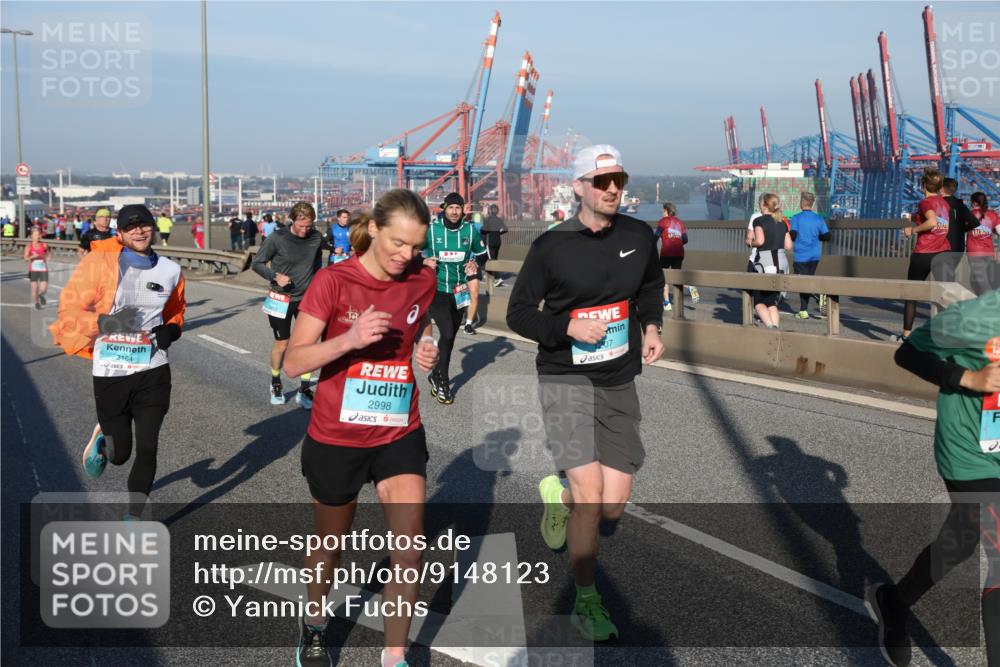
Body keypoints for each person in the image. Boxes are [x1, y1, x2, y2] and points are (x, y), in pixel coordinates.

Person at [506, 144, 664, 642]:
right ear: (578, 187)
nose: (613, 188)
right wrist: (568, 326)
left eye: (619, 178)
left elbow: (651, 286)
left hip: (618, 378)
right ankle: (587, 600)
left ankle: (558, 492)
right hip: (565, 378)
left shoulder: (640, 235)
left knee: (613, 506)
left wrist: (653, 326)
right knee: (593, 502)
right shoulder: (551, 247)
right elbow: (518, 314)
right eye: (602, 181)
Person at [282, 189, 439, 667]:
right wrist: (348, 339)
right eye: (398, 243)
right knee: (330, 546)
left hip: (398, 430)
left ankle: (395, 656)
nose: (406, 256)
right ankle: (314, 625)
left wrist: (425, 346)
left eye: (415, 247)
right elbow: (294, 361)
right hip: (337, 437)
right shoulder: (333, 282)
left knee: (410, 550)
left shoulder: (422, 279)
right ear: (374, 229)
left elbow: (422, 322)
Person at [867, 289, 1000, 667]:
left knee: (958, 545)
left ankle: (894, 601)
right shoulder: (976, 317)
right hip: (971, 455)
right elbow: (907, 352)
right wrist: (968, 378)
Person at [49, 204, 186, 520]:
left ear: (153, 228)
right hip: (112, 370)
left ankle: (134, 518)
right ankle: (103, 440)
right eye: (131, 226)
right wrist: (107, 323)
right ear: (120, 233)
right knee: (121, 454)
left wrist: (173, 329)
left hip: (153, 368)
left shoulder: (170, 270)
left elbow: (177, 310)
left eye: (144, 224)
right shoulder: (99, 265)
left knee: (148, 447)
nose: (139, 230)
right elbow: (68, 314)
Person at [251, 202, 324, 407]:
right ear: (293, 220)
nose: (305, 230)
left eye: (308, 226)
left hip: (307, 298)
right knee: (283, 345)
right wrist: (275, 276)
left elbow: (317, 263)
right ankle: (275, 382)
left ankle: (305, 388)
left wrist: (318, 283)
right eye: (301, 226)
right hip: (280, 298)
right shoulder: (277, 238)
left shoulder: (316, 237)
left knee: (307, 345)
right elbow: (256, 263)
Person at [422, 191, 487, 404]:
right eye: (450, 207)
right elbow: (412, 251)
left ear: (462, 211)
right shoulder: (431, 230)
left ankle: (435, 375)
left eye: (458, 208)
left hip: (460, 292)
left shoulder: (470, 230)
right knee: (447, 332)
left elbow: (483, 253)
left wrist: (475, 264)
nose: (454, 211)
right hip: (438, 290)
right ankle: (444, 382)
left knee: (450, 338)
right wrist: (423, 263)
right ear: (444, 209)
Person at [896, 168, 951, 342]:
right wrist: (914, 217)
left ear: (924, 184)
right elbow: (936, 219)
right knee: (943, 295)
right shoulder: (944, 203)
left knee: (911, 295)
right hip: (944, 252)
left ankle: (906, 335)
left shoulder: (925, 202)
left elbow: (932, 222)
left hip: (925, 252)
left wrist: (912, 230)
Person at [750, 193, 792, 329]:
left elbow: (760, 241)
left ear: (764, 205)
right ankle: (775, 328)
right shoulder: (782, 223)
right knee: (771, 302)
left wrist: (751, 242)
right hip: (781, 263)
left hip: (766, 263)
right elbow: (789, 246)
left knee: (758, 302)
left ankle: (770, 328)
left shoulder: (759, 221)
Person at [789, 191, 831, 319]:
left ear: (802, 203)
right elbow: (827, 236)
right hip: (814, 256)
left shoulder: (796, 218)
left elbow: (793, 235)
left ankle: (818, 295)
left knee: (801, 282)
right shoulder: (819, 218)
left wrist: (787, 235)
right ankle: (803, 311)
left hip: (801, 255)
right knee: (807, 281)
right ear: (812, 204)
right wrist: (816, 236)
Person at [655, 201, 699, 311]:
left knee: (663, 277)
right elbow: (685, 239)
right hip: (679, 253)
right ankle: (690, 286)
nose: (662, 212)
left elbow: (656, 236)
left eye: (662, 210)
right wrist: (677, 244)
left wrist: (650, 246)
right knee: (677, 276)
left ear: (666, 210)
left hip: (666, 252)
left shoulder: (663, 221)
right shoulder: (680, 222)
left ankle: (667, 303)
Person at [968, 193, 1000, 295]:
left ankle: (993, 304)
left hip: (974, 253)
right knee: (980, 281)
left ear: (974, 202)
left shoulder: (969, 215)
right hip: (989, 253)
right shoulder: (993, 215)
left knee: (982, 283)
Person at [480, 203, 508, 287]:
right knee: (495, 258)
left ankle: (498, 278)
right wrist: (498, 233)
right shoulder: (499, 220)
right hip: (498, 241)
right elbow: (506, 229)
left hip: (490, 242)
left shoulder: (487, 219)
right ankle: (490, 274)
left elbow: (484, 230)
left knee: (491, 260)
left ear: (490, 211)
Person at [24, 226, 50, 310]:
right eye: (35, 235)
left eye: (38, 235)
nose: (37, 237)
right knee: (34, 288)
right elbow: (25, 258)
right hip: (33, 270)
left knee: (44, 288)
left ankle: (40, 295)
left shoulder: (44, 245)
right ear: (31, 236)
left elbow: (49, 253)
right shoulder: (28, 247)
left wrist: (48, 258)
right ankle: (36, 303)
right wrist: (32, 257)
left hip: (43, 269)